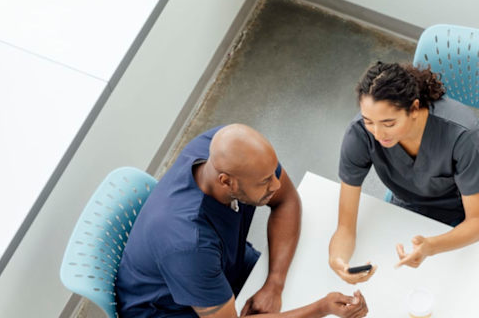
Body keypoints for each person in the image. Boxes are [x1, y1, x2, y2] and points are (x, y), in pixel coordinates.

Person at [116, 124, 368, 317]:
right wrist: (322, 308)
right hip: (169, 308)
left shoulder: (227, 148)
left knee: (305, 278)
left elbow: (287, 199)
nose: (276, 183)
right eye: (265, 181)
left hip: (221, 265)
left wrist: (274, 284)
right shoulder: (189, 245)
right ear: (226, 181)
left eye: (272, 173)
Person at [329, 62, 479, 284]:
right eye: (369, 121)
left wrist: (432, 246)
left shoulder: (463, 134)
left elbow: (477, 223)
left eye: (389, 123)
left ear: (414, 108)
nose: (378, 134)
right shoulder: (360, 133)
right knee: (405, 278)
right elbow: (345, 225)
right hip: (422, 199)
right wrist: (338, 261)